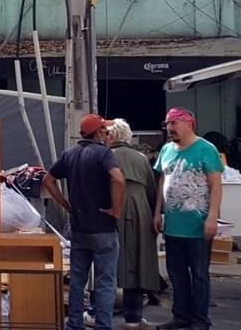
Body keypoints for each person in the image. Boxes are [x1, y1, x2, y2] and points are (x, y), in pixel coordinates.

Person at [43, 114, 126, 330]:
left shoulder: (69, 154)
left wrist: (65, 204)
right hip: (103, 227)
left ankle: (74, 325)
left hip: (79, 228)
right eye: (105, 131)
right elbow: (118, 179)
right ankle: (102, 326)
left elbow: (48, 180)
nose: (107, 135)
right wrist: (116, 210)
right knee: (105, 282)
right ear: (98, 132)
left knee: (77, 281)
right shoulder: (104, 153)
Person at [153, 108, 224, 330]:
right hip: (173, 224)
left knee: (199, 274)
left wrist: (212, 217)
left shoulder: (206, 149)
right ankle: (181, 316)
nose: (170, 128)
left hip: (198, 224)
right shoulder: (166, 150)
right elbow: (163, 182)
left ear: (189, 124)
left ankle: (200, 320)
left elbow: (216, 185)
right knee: (177, 273)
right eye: (167, 124)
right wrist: (158, 212)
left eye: (174, 123)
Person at [107, 119, 161, 330]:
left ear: (111, 136)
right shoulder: (141, 158)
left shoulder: (106, 155)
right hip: (140, 210)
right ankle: (134, 318)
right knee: (139, 265)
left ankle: (97, 313)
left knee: (107, 264)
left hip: (112, 207)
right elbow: (150, 189)